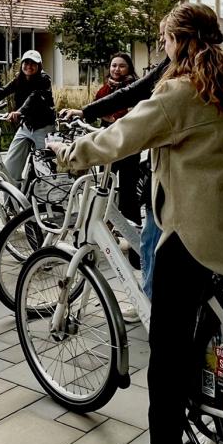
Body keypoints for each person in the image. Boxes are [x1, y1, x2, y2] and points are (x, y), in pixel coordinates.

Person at [48, 3, 223, 444]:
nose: (164, 46)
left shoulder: (178, 94)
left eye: (167, 39)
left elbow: (118, 139)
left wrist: (68, 154)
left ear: (180, 42)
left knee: (167, 351)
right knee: (205, 339)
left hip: (195, 238)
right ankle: (219, 436)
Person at [64, 55, 170, 297]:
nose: (163, 44)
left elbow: (132, 123)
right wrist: (87, 112)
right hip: (169, 175)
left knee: (148, 229)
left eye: (166, 37)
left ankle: (151, 302)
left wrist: (73, 153)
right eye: (113, 65)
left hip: (154, 168)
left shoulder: (172, 86)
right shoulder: (204, 79)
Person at [0, 50, 56, 184]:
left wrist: (19, 112)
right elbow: (2, 92)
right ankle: (11, 200)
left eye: (33, 63)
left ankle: (44, 201)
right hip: (26, 127)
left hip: (43, 129)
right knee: (10, 168)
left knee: (45, 171)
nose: (29, 66)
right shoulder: (19, 79)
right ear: (22, 64)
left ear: (39, 66)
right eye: (26, 62)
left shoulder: (44, 80)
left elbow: (34, 98)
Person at [93, 52, 142, 222]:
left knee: (128, 190)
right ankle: (103, 227)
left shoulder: (135, 87)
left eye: (122, 66)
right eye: (114, 65)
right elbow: (97, 106)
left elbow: (124, 115)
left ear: (129, 68)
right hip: (107, 143)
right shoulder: (106, 88)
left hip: (129, 143)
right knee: (103, 185)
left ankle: (133, 236)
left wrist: (112, 115)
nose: (117, 69)